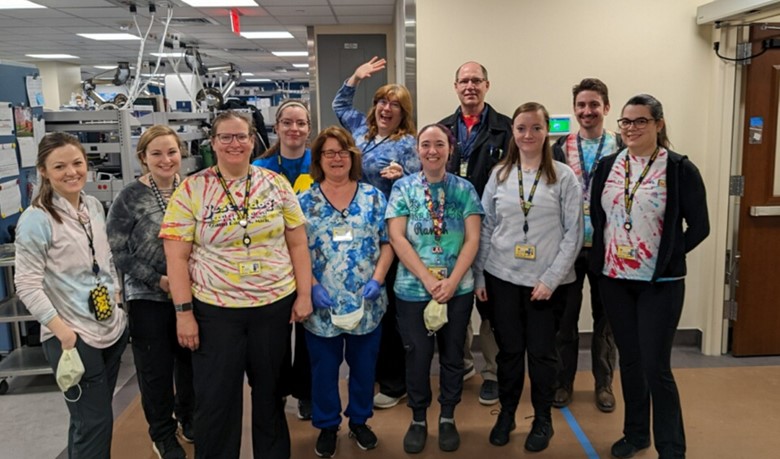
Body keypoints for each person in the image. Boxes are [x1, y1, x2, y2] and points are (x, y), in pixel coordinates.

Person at [160, 110, 313, 459]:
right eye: (225, 137)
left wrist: (304, 294)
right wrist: (184, 313)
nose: (234, 144)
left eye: (241, 136)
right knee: (216, 399)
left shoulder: (276, 184)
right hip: (216, 312)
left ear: (253, 140)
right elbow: (177, 258)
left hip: (272, 307)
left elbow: (298, 244)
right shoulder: (191, 189)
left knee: (271, 397)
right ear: (213, 143)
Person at [590, 94, 709, 459]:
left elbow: (699, 227)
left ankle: (671, 448)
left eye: (640, 121)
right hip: (615, 280)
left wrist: (667, 257)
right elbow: (601, 218)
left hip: (660, 284)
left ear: (658, 124)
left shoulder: (678, 169)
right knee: (630, 361)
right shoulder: (609, 165)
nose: (631, 128)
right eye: (625, 122)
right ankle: (636, 434)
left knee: (656, 366)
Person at [474, 102, 582, 453]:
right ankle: (506, 414)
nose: (528, 135)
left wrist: (551, 279)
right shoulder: (501, 174)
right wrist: (480, 277)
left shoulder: (564, 177)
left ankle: (542, 419)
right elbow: (487, 227)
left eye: (536, 128)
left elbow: (574, 235)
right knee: (508, 353)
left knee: (541, 355)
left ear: (547, 131)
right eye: (521, 128)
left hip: (546, 285)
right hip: (502, 277)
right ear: (514, 133)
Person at [15, 132, 129, 458]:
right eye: (59, 166)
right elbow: (26, 284)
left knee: (89, 420)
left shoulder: (92, 205)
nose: (71, 172)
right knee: (95, 424)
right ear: (43, 171)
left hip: (108, 328)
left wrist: (116, 301)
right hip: (73, 338)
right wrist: (64, 333)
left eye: (77, 163)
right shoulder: (36, 220)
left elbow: (103, 260)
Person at [385, 123, 483, 454]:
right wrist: (428, 279)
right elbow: (397, 237)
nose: (432, 150)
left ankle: (447, 416)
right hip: (413, 288)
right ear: (418, 150)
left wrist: (452, 281)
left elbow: (473, 238)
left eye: (439, 144)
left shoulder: (465, 189)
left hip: (457, 288)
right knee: (417, 356)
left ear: (449, 149)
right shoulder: (403, 189)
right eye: (425, 144)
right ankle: (417, 418)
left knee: (453, 355)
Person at [297, 126, 394, 458]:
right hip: (321, 304)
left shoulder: (372, 197)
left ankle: (359, 421)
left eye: (342, 152)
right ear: (319, 159)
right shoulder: (304, 202)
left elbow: (387, 243)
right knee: (324, 369)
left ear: (352, 156)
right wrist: (310, 287)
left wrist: (378, 280)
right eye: (328, 153)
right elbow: (296, 251)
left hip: (366, 301)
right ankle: (326, 425)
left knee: (364, 368)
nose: (336, 159)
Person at [333, 56, 420, 410]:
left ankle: (395, 381)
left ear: (403, 113)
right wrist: (355, 75)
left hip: (389, 237)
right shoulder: (358, 130)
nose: (387, 108)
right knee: (366, 304)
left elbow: (419, 186)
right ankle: (367, 375)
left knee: (390, 312)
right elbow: (340, 104)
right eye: (383, 101)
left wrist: (404, 173)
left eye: (395, 105)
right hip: (356, 233)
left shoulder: (408, 144)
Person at [106, 125, 194, 459]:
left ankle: (190, 418)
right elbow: (118, 251)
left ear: (180, 153)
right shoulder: (128, 197)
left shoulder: (191, 189)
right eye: (156, 153)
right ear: (143, 157)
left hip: (189, 295)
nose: (165, 159)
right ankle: (162, 433)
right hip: (147, 298)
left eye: (171, 152)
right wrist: (159, 280)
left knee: (189, 365)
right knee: (155, 370)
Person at [439, 61, 512, 405]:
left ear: (487, 85)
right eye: (464, 80)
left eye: (476, 80)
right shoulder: (442, 130)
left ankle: (493, 372)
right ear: (455, 86)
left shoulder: (506, 130)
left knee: (491, 307)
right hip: (450, 234)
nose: (470, 86)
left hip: (493, 232)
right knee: (457, 301)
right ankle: (463, 363)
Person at [551, 78, 620, 412]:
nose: (587, 111)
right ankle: (563, 382)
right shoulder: (560, 148)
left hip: (610, 249)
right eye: (581, 105)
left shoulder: (621, 145)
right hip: (570, 247)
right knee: (565, 320)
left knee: (606, 322)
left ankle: (604, 383)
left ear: (606, 108)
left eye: (594, 105)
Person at [252, 99, 314, 420]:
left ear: (308, 128)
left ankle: (306, 393)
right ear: (276, 128)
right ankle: (273, 394)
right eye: (287, 123)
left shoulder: (318, 163)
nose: (294, 129)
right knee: (273, 340)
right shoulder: (260, 170)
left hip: (310, 264)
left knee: (308, 335)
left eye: (300, 123)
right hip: (272, 267)